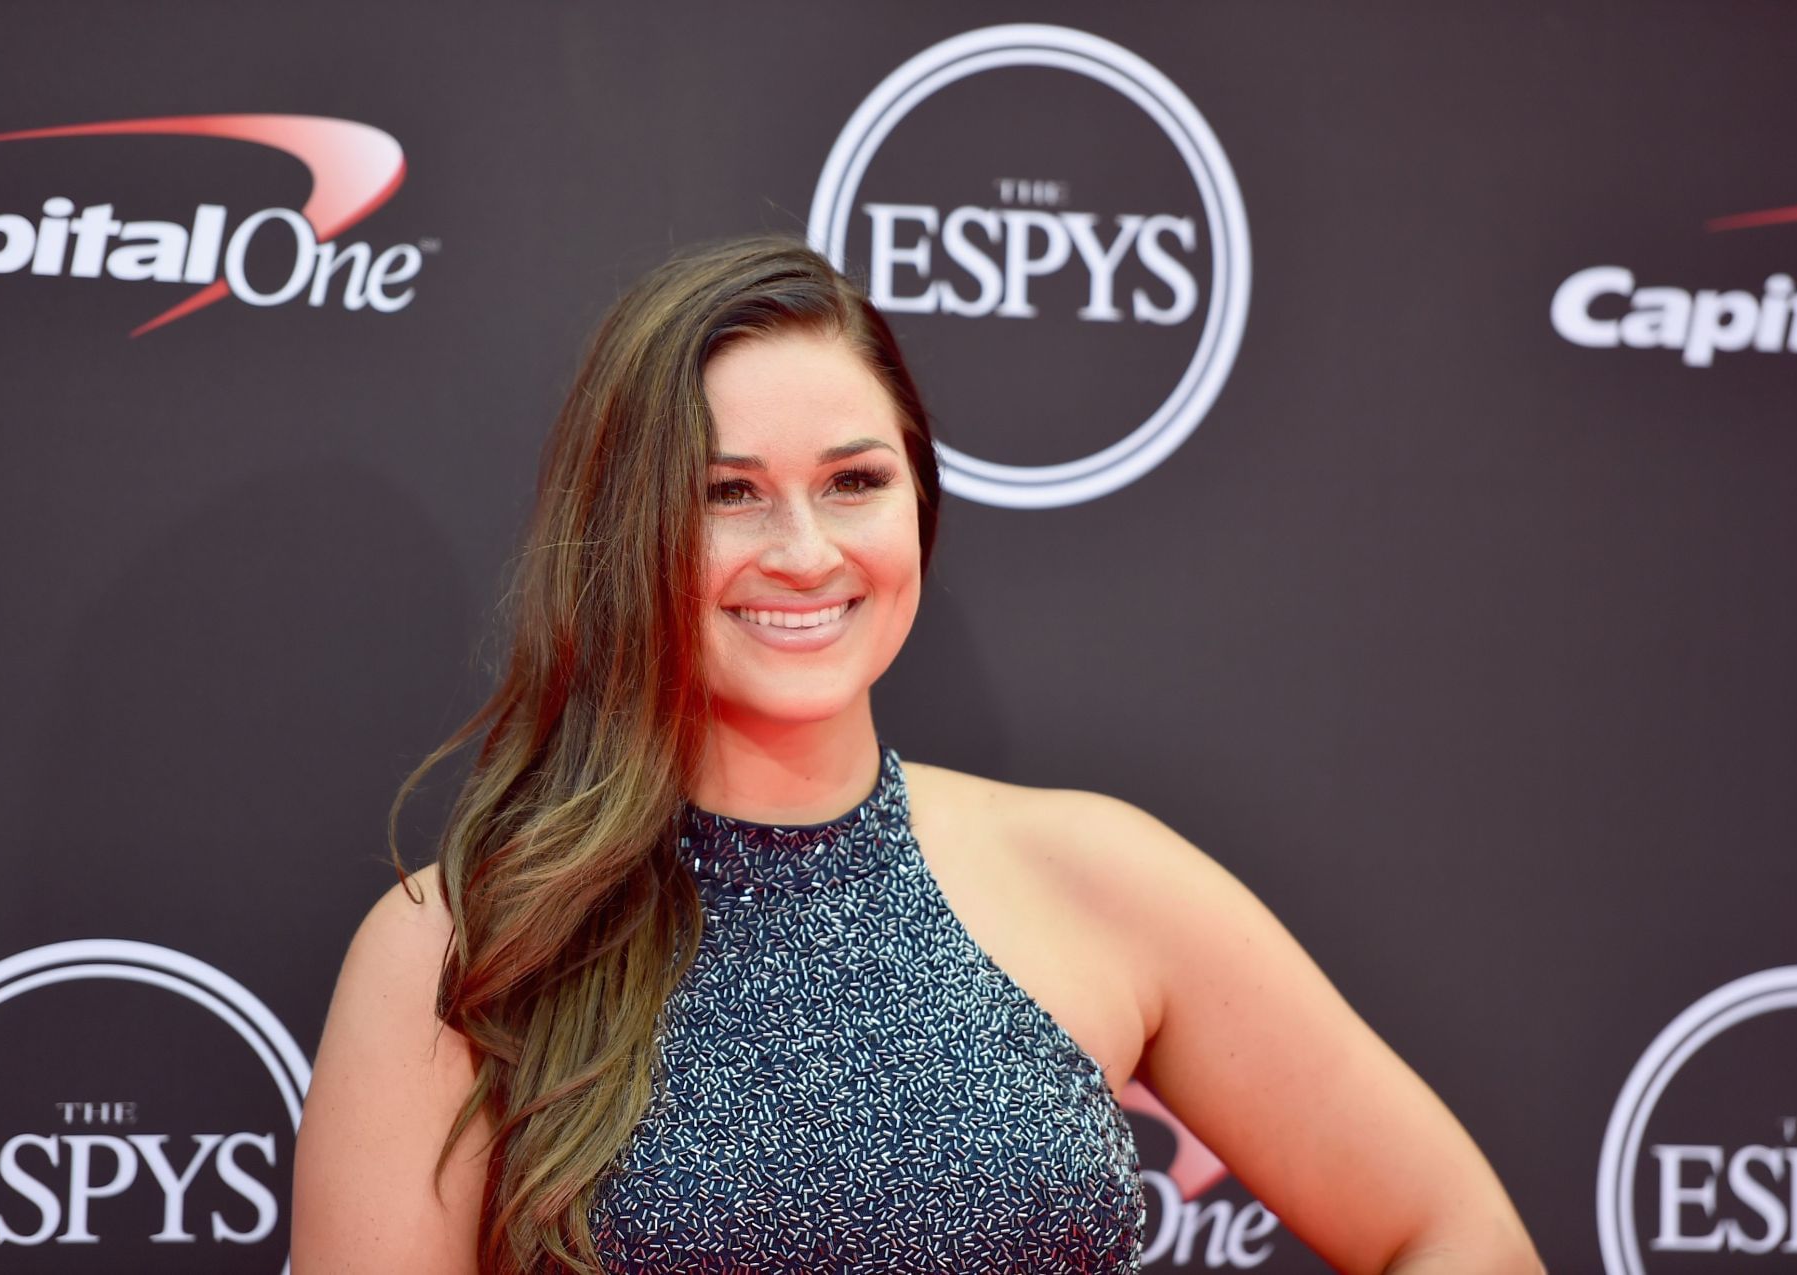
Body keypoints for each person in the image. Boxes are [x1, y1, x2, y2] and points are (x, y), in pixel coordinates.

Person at [291, 234, 1543, 1274]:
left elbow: (1454, 1231)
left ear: (919, 503)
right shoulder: (462, 949)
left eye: (854, 480)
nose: (804, 549)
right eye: (728, 492)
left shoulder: (1093, 873)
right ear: (626, 531)